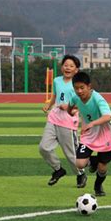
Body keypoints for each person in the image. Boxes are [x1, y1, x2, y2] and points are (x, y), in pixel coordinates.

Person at [39, 55, 87, 188]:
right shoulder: (57, 80)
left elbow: (83, 102)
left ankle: (80, 174)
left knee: (70, 154)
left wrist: (69, 107)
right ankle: (58, 169)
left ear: (76, 70)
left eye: (71, 66)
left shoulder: (78, 85)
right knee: (44, 147)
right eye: (66, 65)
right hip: (53, 118)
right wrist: (48, 105)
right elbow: (55, 95)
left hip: (68, 121)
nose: (68, 68)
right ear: (61, 67)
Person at [67, 72, 111, 196]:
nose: (79, 91)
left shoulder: (98, 98)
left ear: (89, 86)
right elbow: (70, 105)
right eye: (76, 88)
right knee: (79, 163)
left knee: (102, 167)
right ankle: (93, 162)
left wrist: (91, 124)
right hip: (89, 134)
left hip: (104, 133)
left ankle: (98, 186)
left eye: (82, 88)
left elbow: (108, 116)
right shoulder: (76, 97)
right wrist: (70, 111)